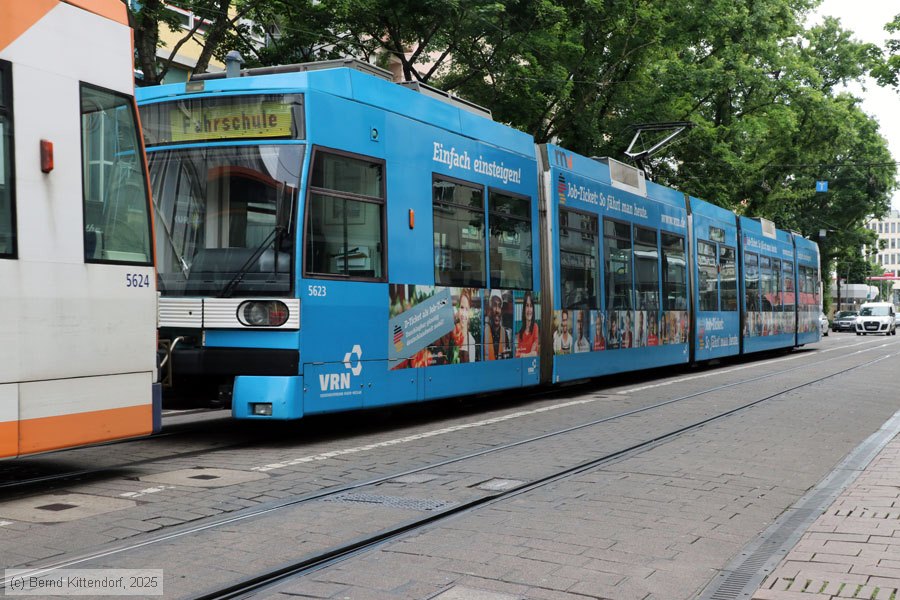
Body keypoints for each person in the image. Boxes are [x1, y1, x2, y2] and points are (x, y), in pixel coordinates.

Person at [485, 291, 511, 360]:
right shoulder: (484, 332)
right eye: (494, 305)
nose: (497, 310)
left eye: (499, 306)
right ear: (490, 309)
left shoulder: (505, 333)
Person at [454, 288, 478, 362]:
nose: (464, 313)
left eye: (466, 309)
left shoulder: (471, 341)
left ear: (469, 312)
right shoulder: (451, 335)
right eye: (462, 307)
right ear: (458, 309)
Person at [515, 291, 540, 357]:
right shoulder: (520, 333)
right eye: (527, 306)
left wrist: (523, 355)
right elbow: (517, 355)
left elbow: (534, 353)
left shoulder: (535, 327)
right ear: (524, 309)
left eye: (531, 306)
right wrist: (529, 354)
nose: (529, 310)